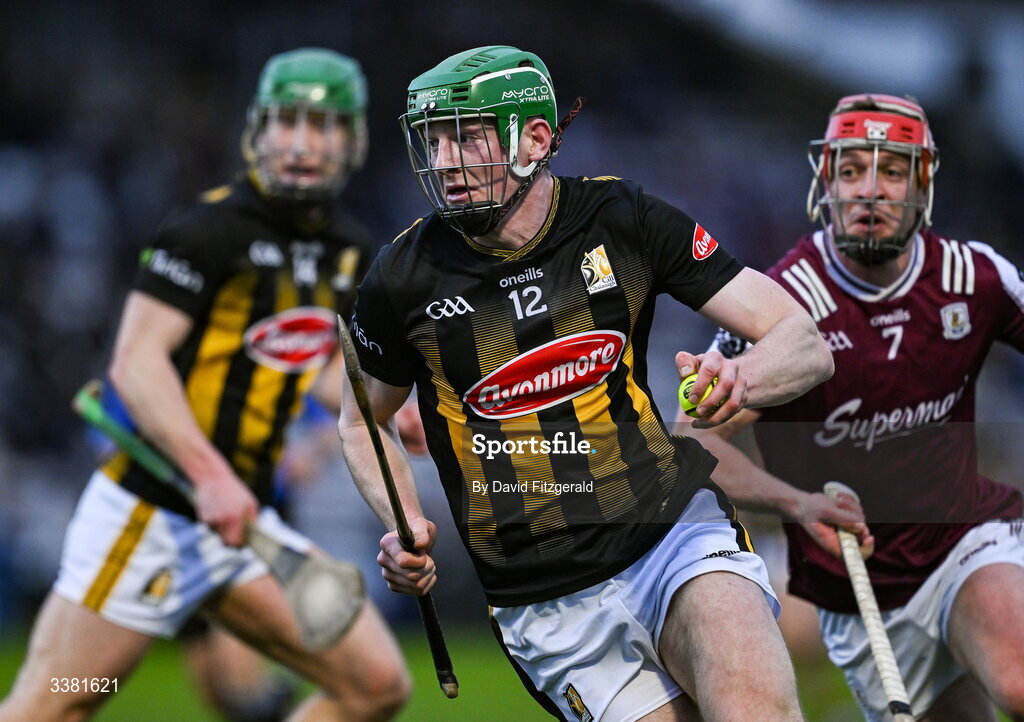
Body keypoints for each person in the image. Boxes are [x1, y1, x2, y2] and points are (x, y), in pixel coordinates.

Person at [338, 45, 833, 721]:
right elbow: (361, 420)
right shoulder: (401, 277)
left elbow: (802, 341)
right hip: (547, 603)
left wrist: (741, 376)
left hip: (671, 534)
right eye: (434, 140)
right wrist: (403, 519)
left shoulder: (621, 218)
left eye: (467, 136)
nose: (445, 161)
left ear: (535, 140)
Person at [0, 48, 411, 722]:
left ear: (354, 140)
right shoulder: (206, 231)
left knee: (376, 685)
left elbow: (313, 364)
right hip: (154, 514)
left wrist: (386, 407)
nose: (302, 143)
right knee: (56, 705)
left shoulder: (350, 248)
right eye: (286, 121)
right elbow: (136, 363)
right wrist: (209, 474)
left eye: (323, 125)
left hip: (245, 524)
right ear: (259, 130)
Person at [681, 94, 1024, 721]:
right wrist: (795, 502)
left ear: (922, 184)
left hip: (962, 540)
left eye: (891, 170)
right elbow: (694, 440)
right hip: (857, 587)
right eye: (851, 170)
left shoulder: (973, 277)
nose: (869, 189)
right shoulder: (781, 304)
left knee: (1019, 679)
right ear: (826, 183)